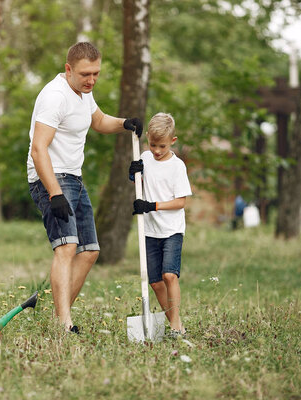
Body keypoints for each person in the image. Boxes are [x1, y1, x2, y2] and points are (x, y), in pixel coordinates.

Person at [27, 42, 143, 333]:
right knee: (67, 247)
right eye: (85, 74)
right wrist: (54, 193)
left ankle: (58, 317)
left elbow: (99, 121)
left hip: (74, 178)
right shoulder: (55, 97)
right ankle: (64, 323)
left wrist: (125, 123)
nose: (91, 80)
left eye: (96, 73)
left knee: (89, 251)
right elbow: (38, 149)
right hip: (52, 178)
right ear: (68, 69)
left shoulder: (83, 94)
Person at [128, 112, 192, 337]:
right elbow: (140, 183)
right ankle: (178, 325)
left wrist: (152, 205)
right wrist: (134, 174)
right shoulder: (144, 158)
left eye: (162, 146)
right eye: (153, 144)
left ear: (173, 141)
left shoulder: (177, 167)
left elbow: (180, 202)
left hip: (172, 229)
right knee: (155, 283)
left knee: (169, 276)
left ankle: (175, 326)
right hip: (150, 230)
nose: (156, 150)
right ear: (146, 139)